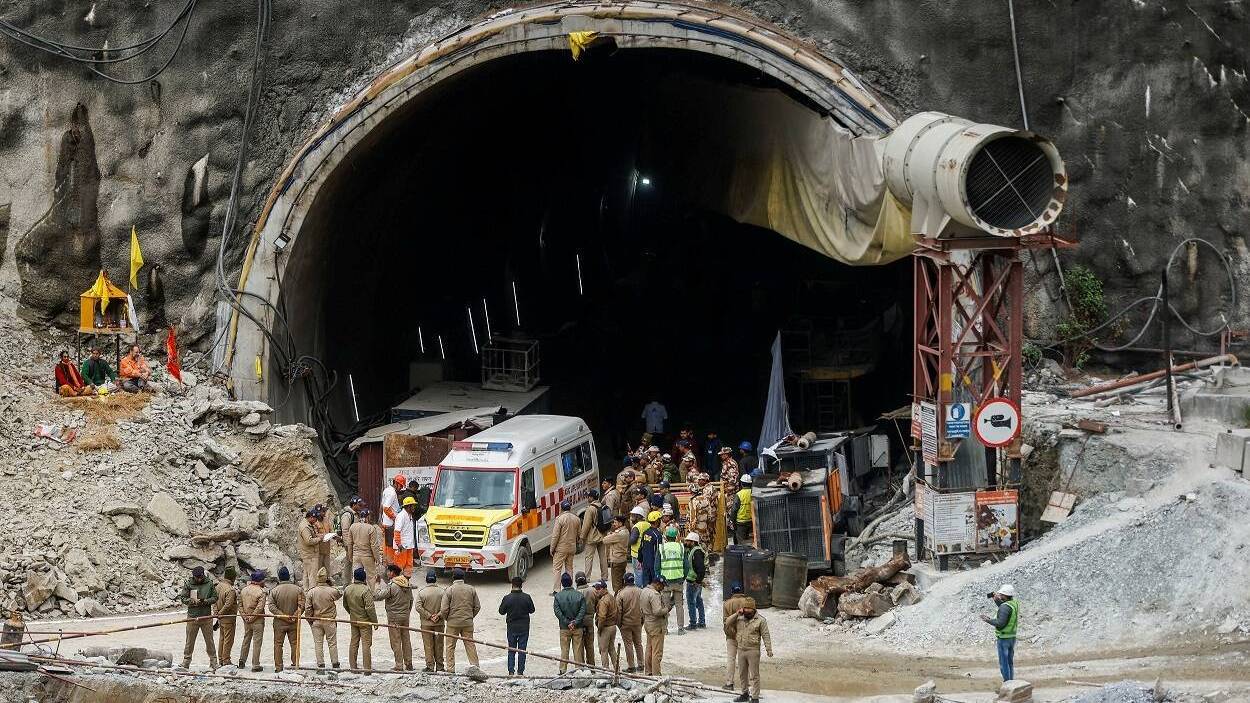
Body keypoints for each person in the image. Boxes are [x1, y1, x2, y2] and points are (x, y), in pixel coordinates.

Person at [726, 597, 773, 703]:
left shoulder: (761, 620)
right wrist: (737, 613)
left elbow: (766, 635)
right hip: (741, 649)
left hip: (753, 651)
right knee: (742, 674)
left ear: (754, 609)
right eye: (745, 608)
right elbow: (727, 622)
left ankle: (755, 697)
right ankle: (744, 694)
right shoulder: (739, 618)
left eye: (749, 608)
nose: (747, 610)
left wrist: (768, 649)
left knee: (754, 675)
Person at [439, 568, 480, 673]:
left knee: (450, 646)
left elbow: (444, 609)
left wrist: (448, 618)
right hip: (467, 622)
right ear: (464, 577)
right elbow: (477, 607)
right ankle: (475, 667)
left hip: (453, 623)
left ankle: (450, 669)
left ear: (453, 577)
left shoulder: (449, 590)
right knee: (470, 644)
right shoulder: (471, 589)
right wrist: (470, 616)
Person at [179, 566, 218, 669]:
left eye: (200, 577)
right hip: (192, 616)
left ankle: (213, 662)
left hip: (206, 617)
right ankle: (186, 661)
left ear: (203, 575)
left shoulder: (209, 583)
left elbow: (215, 597)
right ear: (194, 576)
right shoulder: (188, 584)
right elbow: (183, 598)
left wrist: (205, 601)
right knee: (189, 641)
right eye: (197, 577)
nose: (199, 579)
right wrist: (191, 601)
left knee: (209, 641)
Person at [377, 564, 414, 671]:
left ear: (392, 572)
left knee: (396, 641)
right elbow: (411, 601)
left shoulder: (392, 586)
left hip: (394, 617)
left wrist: (378, 584)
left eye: (388, 571)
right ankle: (409, 663)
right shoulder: (407, 584)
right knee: (406, 640)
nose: (387, 573)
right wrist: (407, 612)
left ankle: (399, 665)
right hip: (405, 616)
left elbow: (378, 596)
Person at [267, 566, 304, 672]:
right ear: (289, 577)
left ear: (279, 578)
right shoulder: (298, 589)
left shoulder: (274, 591)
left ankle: (278, 667)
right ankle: (295, 664)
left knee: (278, 644)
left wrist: (282, 615)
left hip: (279, 622)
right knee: (294, 643)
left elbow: (271, 607)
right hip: (294, 622)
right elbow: (302, 605)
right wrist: (294, 615)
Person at [305, 567, 342, 672]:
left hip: (316, 620)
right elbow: (340, 593)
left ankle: (320, 665)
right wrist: (331, 584)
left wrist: (310, 620)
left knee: (318, 643)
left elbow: (307, 608)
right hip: (329, 620)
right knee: (332, 643)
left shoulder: (311, 592)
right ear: (326, 578)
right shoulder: (332, 591)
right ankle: (335, 664)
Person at [343, 567, 378, 672]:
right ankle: (367, 669)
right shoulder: (365, 590)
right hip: (365, 621)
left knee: (354, 643)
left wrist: (352, 613)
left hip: (353, 620)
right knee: (366, 645)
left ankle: (353, 667)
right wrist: (374, 621)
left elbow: (345, 605)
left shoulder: (348, 589)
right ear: (364, 578)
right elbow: (370, 608)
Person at [498, 576, 535, 676]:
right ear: (521, 585)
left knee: (511, 649)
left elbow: (501, 612)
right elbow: (532, 610)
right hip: (524, 627)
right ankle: (520, 671)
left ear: (512, 585)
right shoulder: (527, 597)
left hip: (511, 627)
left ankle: (511, 671)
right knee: (522, 650)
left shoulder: (507, 598)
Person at [981, 584, 1019, 682]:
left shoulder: (1004, 607)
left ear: (1005, 596)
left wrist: (988, 620)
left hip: (1003, 638)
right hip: (1012, 637)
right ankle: (1011, 683)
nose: (999, 595)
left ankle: (1007, 684)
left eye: (1001, 594)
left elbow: (1000, 623)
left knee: (1004, 663)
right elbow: (1006, 610)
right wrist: (997, 601)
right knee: (1010, 662)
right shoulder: (1014, 603)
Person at [553, 572, 586, 673]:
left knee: (564, 650)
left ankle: (563, 670)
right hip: (578, 627)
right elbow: (583, 610)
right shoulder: (579, 595)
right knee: (578, 650)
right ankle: (579, 669)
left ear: (562, 583)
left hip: (564, 628)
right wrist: (575, 622)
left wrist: (567, 623)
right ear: (572, 582)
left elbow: (557, 612)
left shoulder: (558, 596)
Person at [640, 575, 673, 676]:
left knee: (649, 648)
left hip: (647, 622)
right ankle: (656, 674)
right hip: (656, 624)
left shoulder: (644, 590)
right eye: (662, 586)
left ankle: (648, 672)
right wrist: (667, 609)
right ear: (658, 584)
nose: (663, 588)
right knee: (657, 652)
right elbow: (657, 611)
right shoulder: (654, 594)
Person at [415, 571, 446, 672]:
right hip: (439, 623)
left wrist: (429, 616)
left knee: (428, 645)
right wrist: (438, 615)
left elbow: (418, 607)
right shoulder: (442, 592)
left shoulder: (422, 592)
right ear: (435, 579)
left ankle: (430, 666)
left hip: (426, 624)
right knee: (439, 645)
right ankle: (440, 666)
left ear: (426, 579)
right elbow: (446, 607)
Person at [658, 526, 686, 634]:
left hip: (665, 581)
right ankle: (680, 629)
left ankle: (664, 629)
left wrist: (659, 578)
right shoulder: (681, 547)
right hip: (678, 580)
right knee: (679, 605)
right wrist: (683, 577)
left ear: (666, 536)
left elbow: (657, 565)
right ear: (676, 536)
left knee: (665, 606)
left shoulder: (662, 548)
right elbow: (686, 565)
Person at [238, 570, 267, 672]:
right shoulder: (261, 592)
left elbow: (240, 606)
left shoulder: (244, 590)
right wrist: (253, 617)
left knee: (246, 639)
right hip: (257, 620)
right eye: (263, 579)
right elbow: (260, 607)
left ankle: (242, 660)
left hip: (246, 620)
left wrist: (245, 616)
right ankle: (255, 664)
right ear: (260, 581)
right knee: (257, 642)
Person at [615, 573, 644, 673]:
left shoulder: (621, 593)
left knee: (628, 645)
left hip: (625, 623)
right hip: (638, 622)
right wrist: (642, 621)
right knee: (638, 643)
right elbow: (644, 609)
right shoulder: (640, 591)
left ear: (625, 581)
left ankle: (631, 666)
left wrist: (619, 624)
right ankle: (641, 664)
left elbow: (618, 611)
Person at [550, 499, 581, 594]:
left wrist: (552, 548)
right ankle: (570, 588)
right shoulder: (576, 519)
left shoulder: (560, 519)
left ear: (561, 509)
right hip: (572, 548)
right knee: (569, 568)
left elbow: (555, 536)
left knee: (557, 569)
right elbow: (579, 534)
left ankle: (556, 590)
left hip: (561, 548)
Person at [722, 583, 749, 689]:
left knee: (731, 659)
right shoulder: (748, 602)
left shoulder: (727, 603)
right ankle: (748, 685)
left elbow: (725, 621)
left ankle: (729, 683)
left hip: (731, 635)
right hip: (745, 635)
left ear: (732, 592)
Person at [348, 508, 383, 584]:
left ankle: (357, 594)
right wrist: (377, 558)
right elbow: (374, 546)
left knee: (356, 577)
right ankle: (371, 595)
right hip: (368, 556)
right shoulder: (371, 528)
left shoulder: (353, 527)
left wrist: (350, 556)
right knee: (371, 578)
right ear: (368, 517)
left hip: (356, 556)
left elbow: (350, 543)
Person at [213, 567, 238, 669]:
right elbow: (228, 605)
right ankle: (226, 660)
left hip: (221, 618)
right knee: (228, 640)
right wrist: (221, 613)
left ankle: (221, 659)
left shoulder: (218, 586)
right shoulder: (230, 589)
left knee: (222, 639)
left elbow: (214, 601)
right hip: (228, 618)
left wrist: (216, 613)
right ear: (233, 578)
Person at [298, 507, 330, 590]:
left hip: (309, 554)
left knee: (306, 575)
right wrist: (319, 539)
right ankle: (312, 592)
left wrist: (318, 535)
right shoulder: (305, 527)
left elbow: (312, 535)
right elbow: (308, 541)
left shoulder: (309, 525)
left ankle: (306, 592)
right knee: (312, 576)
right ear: (311, 517)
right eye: (315, 519)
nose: (316, 521)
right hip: (310, 554)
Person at [580, 489, 608, 581]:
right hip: (603, 535)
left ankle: (587, 578)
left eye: (588, 496)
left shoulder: (590, 509)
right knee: (603, 557)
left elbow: (586, 525)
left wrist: (582, 537)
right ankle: (605, 576)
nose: (588, 498)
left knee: (589, 558)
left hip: (592, 537)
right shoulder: (603, 506)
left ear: (591, 497)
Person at [593, 580, 620, 672]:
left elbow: (602, 617)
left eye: (598, 588)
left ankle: (606, 670)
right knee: (611, 649)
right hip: (613, 627)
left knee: (603, 650)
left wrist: (600, 628)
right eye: (596, 588)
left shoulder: (604, 601)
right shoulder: (611, 597)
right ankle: (617, 669)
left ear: (604, 589)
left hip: (605, 628)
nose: (596, 590)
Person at [683, 532, 707, 629]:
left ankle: (693, 623)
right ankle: (701, 622)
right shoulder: (694, 550)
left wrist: (697, 581)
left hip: (693, 581)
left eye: (688, 541)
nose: (686, 542)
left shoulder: (696, 552)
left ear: (693, 542)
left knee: (691, 602)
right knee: (698, 601)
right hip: (695, 581)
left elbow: (700, 568)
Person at [380, 475, 405, 564]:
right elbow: (386, 508)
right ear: (396, 483)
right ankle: (390, 564)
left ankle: (386, 562)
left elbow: (383, 506)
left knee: (386, 544)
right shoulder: (392, 493)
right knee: (390, 545)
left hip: (386, 522)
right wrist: (395, 519)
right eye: (401, 486)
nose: (401, 488)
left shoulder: (387, 490)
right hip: (390, 524)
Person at [337, 497, 361, 585]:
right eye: (359, 505)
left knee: (350, 563)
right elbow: (345, 530)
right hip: (350, 544)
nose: (360, 506)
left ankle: (349, 583)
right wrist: (348, 545)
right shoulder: (347, 515)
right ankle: (347, 584)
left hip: (355, 543)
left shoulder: (355, 514)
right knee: (351, 563)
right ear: (354, 505)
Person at [393, 496, 420, 575]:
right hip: (402, 546)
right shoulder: (401, 516)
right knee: (399, 566)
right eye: (413, 505)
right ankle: (398, 583)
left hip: (408, 545)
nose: (414, 507)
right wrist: (399, 544)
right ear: (408, 506)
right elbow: (397, 531)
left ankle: (406, 582)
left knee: (408, 564)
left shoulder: (409, 515)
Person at [603, 515, 630, 592]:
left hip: (616, 561)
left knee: (616, 585)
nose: (613, 524)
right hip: (623, 560)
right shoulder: (626, 531)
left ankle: (618, 600)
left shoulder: (618, 534)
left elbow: (604, 540)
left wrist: (610, 534)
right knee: (621, 582)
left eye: (615, 522)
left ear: (620, 523)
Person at [576, 572, 597, 667]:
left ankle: (581, 667)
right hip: (589, 620)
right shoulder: (593, 590)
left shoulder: (575, 593)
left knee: (579, 646)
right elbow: (598, 605)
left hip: (579, 622)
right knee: (590, 645)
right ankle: (592, 666)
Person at [638, 511, 663, 587]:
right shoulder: (657, 535)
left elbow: (641, 547)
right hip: (654, 564)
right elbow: (659, 551)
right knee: (655, 586)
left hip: (645, 563)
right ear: (657, 521)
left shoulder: (645, 532)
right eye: (660, 520)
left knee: (646, 585)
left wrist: (640, 560)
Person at [628, 505, 650, 587]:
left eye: (633, 515)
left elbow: (633, 540)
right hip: (646, 554)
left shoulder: (636, 527)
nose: (631, 518)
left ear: (637, 516)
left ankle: (639, 590)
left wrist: (627, 543)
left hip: (637, 555)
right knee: (645, 572)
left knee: (638, 573)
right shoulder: (648, 524)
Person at [730, 474, 754, 545]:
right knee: (751, 542)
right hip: (751, 521)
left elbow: (734, 510)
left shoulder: (739, 494)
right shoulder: (754, 493)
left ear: (741, 483)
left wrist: (732, 522)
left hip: (741, 523)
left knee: (741, 543)